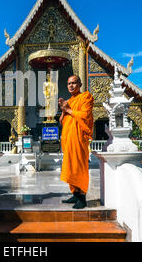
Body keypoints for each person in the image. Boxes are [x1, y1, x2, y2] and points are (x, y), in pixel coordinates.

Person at [58, 75, 94, 209]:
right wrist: (63, 110)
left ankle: (82, 197)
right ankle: (75, 193)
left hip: (79, 139)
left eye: (74, 83)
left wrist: (68, 109)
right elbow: (62, 121)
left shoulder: (86, 97)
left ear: (80, 84)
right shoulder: (69, 101)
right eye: (69, 84)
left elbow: (85, 115)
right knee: (70, 166)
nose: (71, 86)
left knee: (78, 165)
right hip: (68, 139)